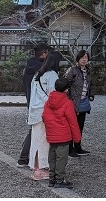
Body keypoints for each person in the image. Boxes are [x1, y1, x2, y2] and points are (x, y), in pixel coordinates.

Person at [42, 77, 81, 189]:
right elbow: (73, 122)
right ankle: (60, 179)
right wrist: (77, 138)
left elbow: (44, 116)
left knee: (52, 157)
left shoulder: (48, 101)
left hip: (52, 136)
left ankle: (51, 178)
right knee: (61, 158)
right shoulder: (67, 103)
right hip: (63, 136)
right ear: (66, 90)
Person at [28, 51, 61, 180]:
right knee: (44, 141)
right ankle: (40, 169)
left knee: (36, 140)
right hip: (45, 110)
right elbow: (53, 96)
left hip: (35, 110)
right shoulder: (52, 75)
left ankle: (35, 166)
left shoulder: (37, 74)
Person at [17, 43, 49, 167]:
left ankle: (25, 155)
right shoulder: (41, 69)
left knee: (34, 130)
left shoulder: (28, 67)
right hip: (39, 103)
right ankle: (24, 157)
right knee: (35, 131)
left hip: (31, 101)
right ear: (44, 53)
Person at [64, 49, 94, 157]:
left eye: (86, 57)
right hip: (73, 101)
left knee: (80, 126)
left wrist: (91, 94)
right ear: (78, 58)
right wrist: (68, 100)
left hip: (84, 101)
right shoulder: (72, 70)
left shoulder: (88, 70)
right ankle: (70, 148)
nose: (84, 59)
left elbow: (91, 84)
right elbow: (65, 84)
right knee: (71, 126)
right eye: (82, 57)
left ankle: (78, 147)